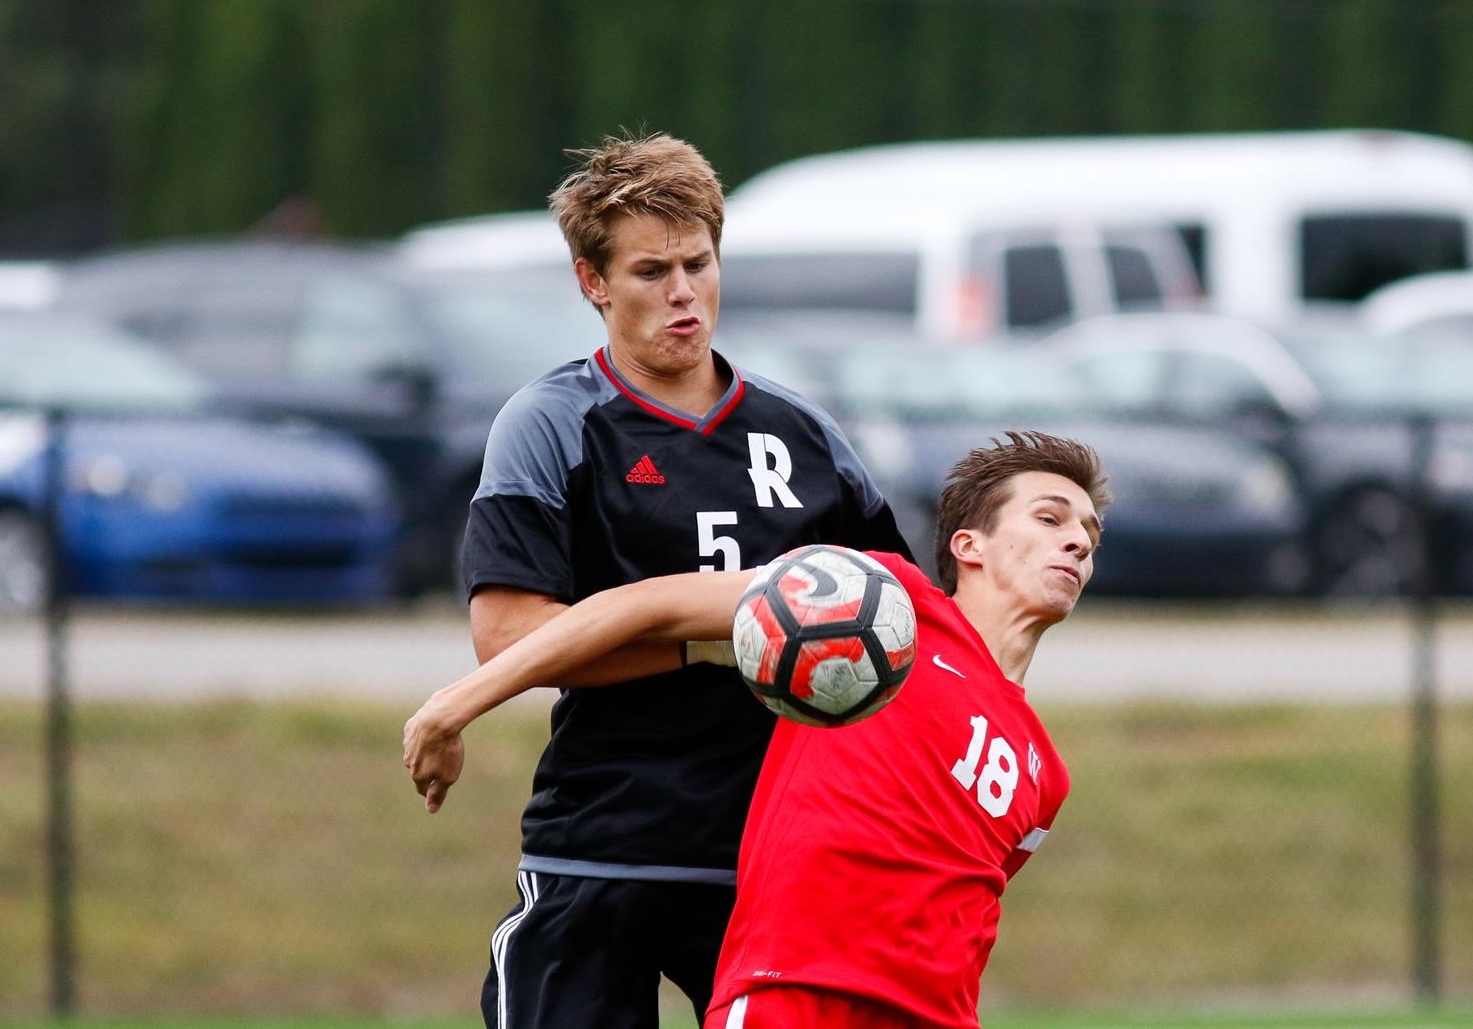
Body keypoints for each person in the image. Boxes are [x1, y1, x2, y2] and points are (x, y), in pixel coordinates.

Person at [408, 430, 1109, 1029]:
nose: (1077, 540)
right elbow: (647, 605)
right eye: (1051, 518)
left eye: (1089, 532)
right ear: (969, 544)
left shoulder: (1044, 772)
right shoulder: (872, 604)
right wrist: (458, 702)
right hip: (793, 995)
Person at [452, 131, 913, 1028]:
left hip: (772, 860)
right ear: (592, 282)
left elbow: (894, 616)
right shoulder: (553, 426)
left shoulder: (806, 434)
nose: (682, 294)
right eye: (650, 271)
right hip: (604, 845)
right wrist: (723, 643)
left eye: (698, 264)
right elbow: (508, 638)